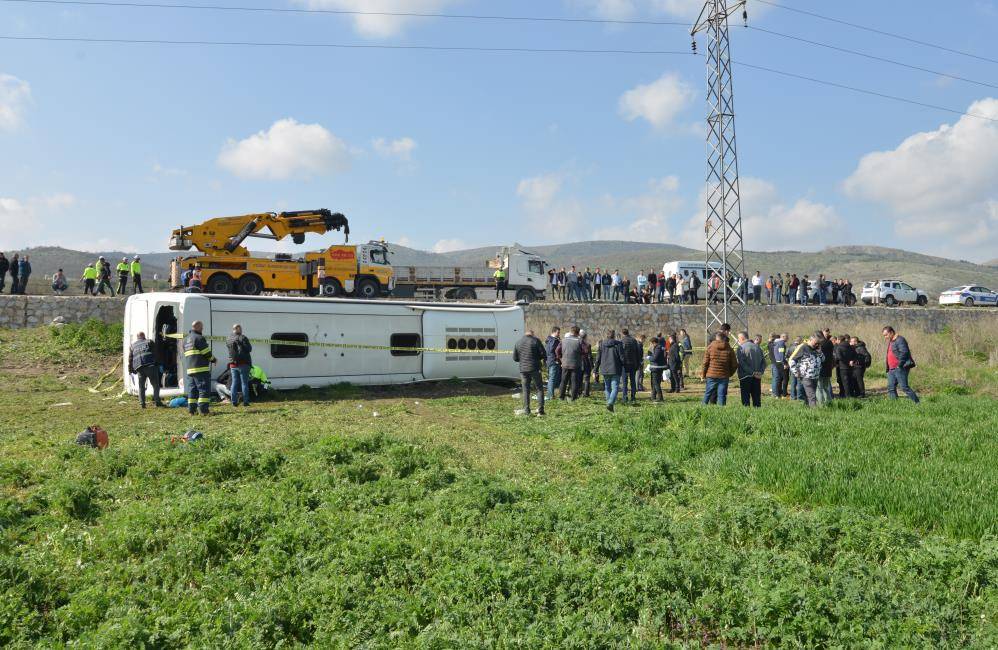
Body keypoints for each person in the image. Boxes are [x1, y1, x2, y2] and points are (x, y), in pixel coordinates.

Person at [183, 320, 216, 415]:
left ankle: (191, 411)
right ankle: (204, 410)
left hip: (190, 370)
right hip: (201, 369)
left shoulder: (185, 340)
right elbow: (206, 352)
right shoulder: (199, 338)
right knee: (204, 389)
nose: (202, 329)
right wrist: (214, 360)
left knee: (192, 390)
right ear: (197, 327)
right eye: (201, 327)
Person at [513, 328, 546, 416]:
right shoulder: (536, 341)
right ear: (532, 334)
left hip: (523, 369)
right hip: (535, 368)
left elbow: (515, 358)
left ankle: (527, 410)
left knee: (526, 389)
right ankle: (540, 410)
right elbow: (543, 354)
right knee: (539, 388)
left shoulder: (518, 342)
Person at [883, 326, 919, 403]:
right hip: (891, 369)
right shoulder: (891, 341)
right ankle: (895, 406)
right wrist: (888, 367)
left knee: (904, 387)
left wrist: (899, 365)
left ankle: (917, 403)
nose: (885, 337)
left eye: (886, 335)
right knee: (891, 388)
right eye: (884, 335)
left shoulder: (900, 340)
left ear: (891, 332)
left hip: (900, 368)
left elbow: (904, 352)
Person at [128, 332, 164, 408]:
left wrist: (130, 369)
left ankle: (142, 403)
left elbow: (130, 359)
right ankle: (157, 401)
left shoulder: (132, 346)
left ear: (137, 337)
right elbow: (156, 353)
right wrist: (158, 363)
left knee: (141, 386)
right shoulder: (149, 342)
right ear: (143, 336)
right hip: (150, 366)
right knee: (155, 385)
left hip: (139, 368)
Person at [701, 332, 738, 406]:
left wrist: (703, 374)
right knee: (722, 394)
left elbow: (705, 363)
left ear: (716, 338)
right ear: (724, 338)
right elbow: (734, 364)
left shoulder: (710, 347)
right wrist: (730, 373)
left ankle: (702, 409)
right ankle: (721, 412)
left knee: (708, 393)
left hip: (711, 375)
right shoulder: (729, 349)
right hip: (724, 376)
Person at [788, 333, 823, 407]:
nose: (817, 344)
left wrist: (820, 352)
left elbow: (823, 359)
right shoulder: (803, 347)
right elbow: (791, 360)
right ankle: (815, 413)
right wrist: (795, 372)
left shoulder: (817, 349)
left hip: (815, 376)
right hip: (806, 376)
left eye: (818, 343)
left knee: (809, 395)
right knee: (812, 395)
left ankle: (806, 409)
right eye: (816, 342)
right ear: (811, 340)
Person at [595, 330, 624, 412]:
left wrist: (595, 370)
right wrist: (624, 366)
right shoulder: (618, 344)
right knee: (615, 387)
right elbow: (622, 357)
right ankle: (610, 403)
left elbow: (598, 358)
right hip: (615, 369)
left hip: (604, 369)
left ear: (607, 335)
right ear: (614, 336)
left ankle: (609, 404)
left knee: (607, 388)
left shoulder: (601, 344)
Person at [736, 332, 765, 407]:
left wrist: (752, 373)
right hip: (757, 376)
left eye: (738, 339)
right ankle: (758, 415)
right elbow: (764, 363)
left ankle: (747, 414)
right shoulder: (758, 347)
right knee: (756, 398)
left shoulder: (741, 348)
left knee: (745, 398)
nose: (738, 341)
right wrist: (760, 373)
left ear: (742, 338)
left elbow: (742, 363)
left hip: (745, 376)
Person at [226, 323, 253, 407]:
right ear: (237, 329)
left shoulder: (228, 338)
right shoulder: (243, 337)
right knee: (244, 383)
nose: (241, 330)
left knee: (234, 383)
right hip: (243, 364)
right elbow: (249, 349)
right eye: (240, 328)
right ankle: (246, 402)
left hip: (233, 364)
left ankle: (234, 401)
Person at [557, 326, 584, 401]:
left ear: (570, 331)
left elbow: (557, 350)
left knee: (563, 381)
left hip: (565, 363)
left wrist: (560, 359)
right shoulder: (579, 341)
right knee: (574, 381)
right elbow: (585, 350)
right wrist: (580, 355)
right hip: (575, 364)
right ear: (578, 333)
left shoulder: (563, 340)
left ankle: (561, 397)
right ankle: (573, 398)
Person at [619, 328, 641, 403]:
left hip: (624, 364)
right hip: (633, 363)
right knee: (633, 381)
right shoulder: (634, 340)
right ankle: (633, 396)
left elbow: (620, 354)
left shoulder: (621, 341)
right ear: (628, 333)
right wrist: (638, 363)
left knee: (625, 381)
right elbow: (638, 353)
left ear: (622, 334)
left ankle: (625, 397)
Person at [833, 333, 858, 398]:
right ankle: (852, 394)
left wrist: (835, 364)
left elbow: (839, 357)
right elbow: (855, 355)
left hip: (842, 367)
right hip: (851, 367)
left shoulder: (839, 347)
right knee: (850, 381)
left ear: (839, 340)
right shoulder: (851, 346)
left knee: (845, 383)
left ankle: (847, 396)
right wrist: (852, 361)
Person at [646, 336, 666, 401]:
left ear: (654, 342)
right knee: (654, 383)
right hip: (656, 367)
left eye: (651, 343)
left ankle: (660, 398)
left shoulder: (658, 348)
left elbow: (655, 358)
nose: (651, 345)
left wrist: (649, 358)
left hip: (656, 368)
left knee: (656, 383)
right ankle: (653, 397)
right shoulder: (658, 348)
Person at [817, 331, 834, 404]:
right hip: (828, 367)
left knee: (819, 388)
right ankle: (829, 403)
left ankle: (821, 404)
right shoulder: (829, 342)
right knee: (826, 388)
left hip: (820, 368)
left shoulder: (819, 344)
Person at [768, 333, 787, 398]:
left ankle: (775, 392)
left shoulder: (771, 344)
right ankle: (776, 393)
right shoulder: (780, 344)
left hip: (773, 362)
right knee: (777, 378)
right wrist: (784, 363)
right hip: (777, 363)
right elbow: (781, 355)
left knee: (775, 378)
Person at [545, 326, 561, 399]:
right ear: (554, 332)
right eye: (558, 332)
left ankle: (551, 394)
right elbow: (551, 350)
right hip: (553, 361)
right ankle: (550, 395)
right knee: (552, 378)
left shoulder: (548, 339)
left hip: (549, 360)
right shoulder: (554, 340)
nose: (559, 334)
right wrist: (556, 359)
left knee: (552, 378)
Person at [579, 331, 593, 397]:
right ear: (585, 337)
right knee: (587, 380)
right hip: (586, 363)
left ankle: (579, 392)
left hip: (578, 363)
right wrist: (592, 366)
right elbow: (590, 357)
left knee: (579, 379)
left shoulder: (577, 344)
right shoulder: (588, 345)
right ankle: (586, 393)